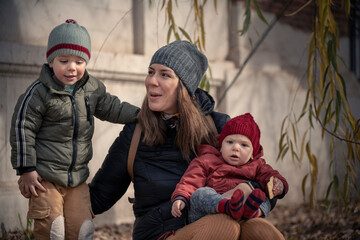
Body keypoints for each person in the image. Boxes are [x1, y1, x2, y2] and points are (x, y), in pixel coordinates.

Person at [89, 40, 285, 240]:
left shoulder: (218, 127)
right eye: (150, 72)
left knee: (260, 230)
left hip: (213, 222)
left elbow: (263, 177)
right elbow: (98, 197)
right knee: (223, 226)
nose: (152, 81)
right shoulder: (136, 133)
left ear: (184, 86)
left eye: (164, 74)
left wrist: (249, 188)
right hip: (161, 233)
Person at [11, 19, 139, 240]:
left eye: (79, 61)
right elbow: (23, 128)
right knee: (53, 229)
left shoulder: (92, 89)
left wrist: (141, 114)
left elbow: (112, 107)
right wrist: (26, 169)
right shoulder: (39, 93)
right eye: (64, 60)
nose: (72, 67)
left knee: (82, 230)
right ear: (50, 61)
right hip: (45, 177)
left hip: (77, 178)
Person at [171, 113, 289, 224]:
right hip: (209, 212)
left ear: (253, 153)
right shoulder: (207, 160)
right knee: (201, 194)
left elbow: (270, 175)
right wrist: (181, 197)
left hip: (244, 208)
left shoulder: (258, 165)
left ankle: (252, 212)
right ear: (221, 146)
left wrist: (278, 184)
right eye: (230, 142)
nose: (236, 148)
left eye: (244, 145)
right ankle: (228, 206)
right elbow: (191, 180)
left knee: (263, 196)